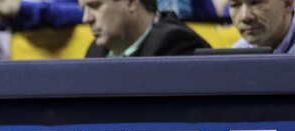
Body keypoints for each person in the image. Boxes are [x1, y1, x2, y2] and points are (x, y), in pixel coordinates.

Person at [80, 0, 210, 57]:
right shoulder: (95, 51)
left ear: (131, 2)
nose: (86, 18)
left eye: (94, 6)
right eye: (83, 9)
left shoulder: (176, 43)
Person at [230, 0, 295, 53]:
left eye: (256, 2)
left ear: (287, 4)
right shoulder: (238, 52)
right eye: (234, 5)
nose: (244, 17)